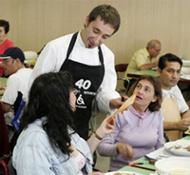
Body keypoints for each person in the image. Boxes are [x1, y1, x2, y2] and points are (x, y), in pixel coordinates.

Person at [29, 4, 123, 139]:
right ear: (86, 21)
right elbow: (35, 89)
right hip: (49, 126)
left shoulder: (107, 56)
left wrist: (112, 101)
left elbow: (104, 93)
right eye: (95, 31)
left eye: (105, 37)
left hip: (82, 126)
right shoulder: (56, 48)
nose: (97, 40)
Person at [12, 71, 114, 175]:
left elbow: (78, 156)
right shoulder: (34, 141)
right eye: (73, 93)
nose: (76, 97)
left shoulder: (58, 125)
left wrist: (101, 131)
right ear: (60, 100)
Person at [97, 76, 164, 171]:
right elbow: (101, 148)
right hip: (123, 170)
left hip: (148, 168)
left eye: (146, 89)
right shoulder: (120, 113)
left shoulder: (157, 114)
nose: (140, 91)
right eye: (138, 87)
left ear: (154, 98)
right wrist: (118, 148)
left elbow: (160, 145)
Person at [158, 53, 190, 140]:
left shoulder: (174, 88)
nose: (175, 76)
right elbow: (147, 124)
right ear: (159, 71)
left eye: (178, 72)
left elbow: (185, 110)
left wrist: (185, 121)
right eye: (170, 71)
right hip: (158, 142)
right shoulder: (150, 90)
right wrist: (176, 125)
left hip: (176, 141)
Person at [0, 47, 32, 114]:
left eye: (6, 61)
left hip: (20, 120)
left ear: (17, 61)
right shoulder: (32, 72)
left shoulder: (14, 78)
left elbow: (5, 108)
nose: (2, 65)